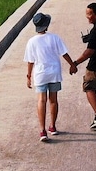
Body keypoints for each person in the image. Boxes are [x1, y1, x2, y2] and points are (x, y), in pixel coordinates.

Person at [24, 12, 77, 142]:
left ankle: (42, 131)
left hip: (40, 74)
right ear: (46, 25)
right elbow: (64, 53)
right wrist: (72, 65)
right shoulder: (55, 38)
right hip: (54, 73)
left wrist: (29, 76)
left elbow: (30, 61)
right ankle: (52, 127)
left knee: (41, 100)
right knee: (53, 100)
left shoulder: (31, 42)